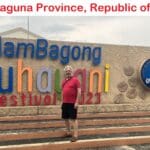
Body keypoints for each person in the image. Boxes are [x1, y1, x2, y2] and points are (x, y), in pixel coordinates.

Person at [61, 65, 81, 142]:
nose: (68, 72)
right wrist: (62, 101)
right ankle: (68, 132)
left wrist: (77, 102)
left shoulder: (75, 80)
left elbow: (79, 91)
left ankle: (75, 135)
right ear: (65, 73)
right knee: (65, 118)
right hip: (65, 103)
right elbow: (63, 92)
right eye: (66, 71)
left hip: (72, 103)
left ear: (71, 72)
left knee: (73, 119)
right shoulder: (64, 81)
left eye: (69, 70)